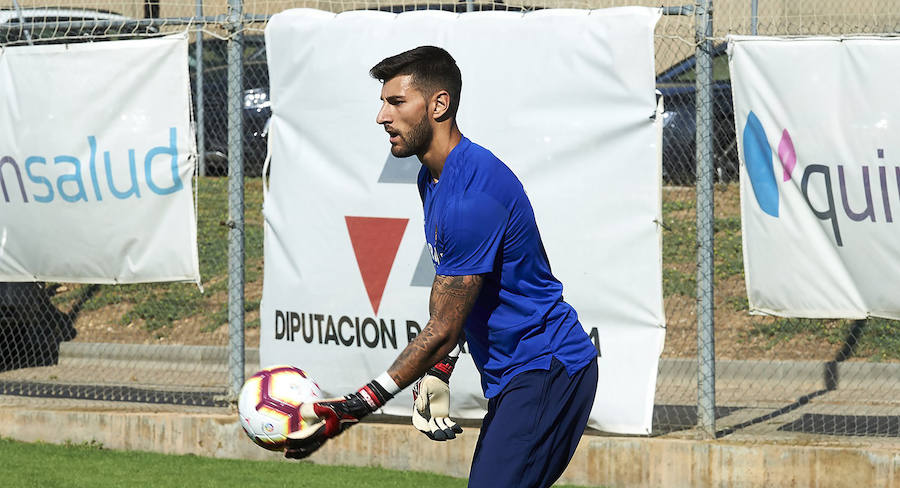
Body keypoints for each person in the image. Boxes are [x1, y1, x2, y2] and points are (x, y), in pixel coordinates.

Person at [286, 46, 599, 488]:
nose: (381, 117)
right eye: (382, 103)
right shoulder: (430, 178)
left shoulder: (474, 193)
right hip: (521, 373)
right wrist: (440, 368)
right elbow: (453, 295)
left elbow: (445, 327)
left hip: (547, 367)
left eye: (396, 102)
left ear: (438, 105)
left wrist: (360, 404)